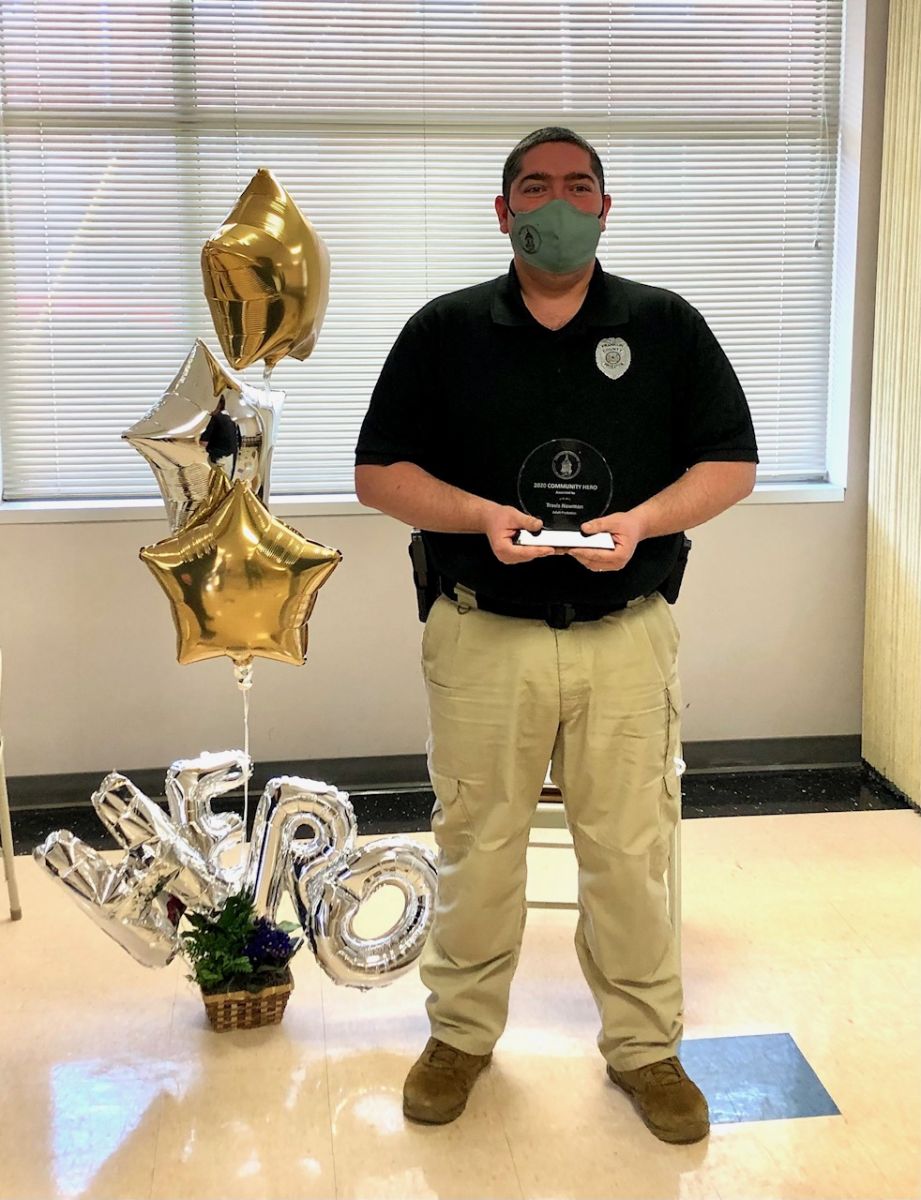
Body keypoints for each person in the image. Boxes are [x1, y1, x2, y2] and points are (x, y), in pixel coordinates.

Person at [354, 127, 758, 1145]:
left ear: (607, 209)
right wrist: (478, 516)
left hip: (627, 633)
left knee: (628, 852)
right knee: (476, 846)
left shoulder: (666, 327)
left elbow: (731, 462)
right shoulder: (444, 331)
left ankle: (646, 1048)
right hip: (485, 635)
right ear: (503, 213)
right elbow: (379, 472)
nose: (560, 204)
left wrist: (645, 524)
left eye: (580, 187)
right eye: (536, 187)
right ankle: (460, 1038)